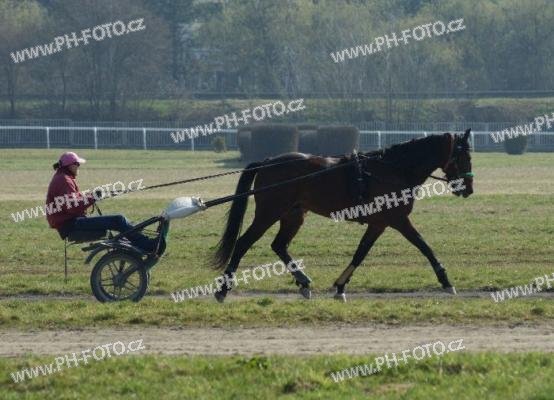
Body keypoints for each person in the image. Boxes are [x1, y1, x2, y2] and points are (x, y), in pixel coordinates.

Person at [46, 151, 156, 251]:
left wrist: (92, 196)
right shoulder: (64, 180)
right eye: (77, 164)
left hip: (70, 223)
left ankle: (136, 235)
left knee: (119, 221)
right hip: (71, 225)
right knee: (118, 220)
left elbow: (73, 201)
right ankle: (148, 245)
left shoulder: (62, 178)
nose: (79, 166)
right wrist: (92, 197)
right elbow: (72, 206)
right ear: (70, 165)